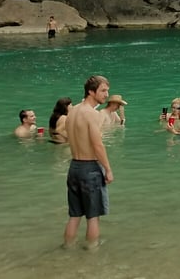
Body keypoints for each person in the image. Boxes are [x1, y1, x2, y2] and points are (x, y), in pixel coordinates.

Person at [64, 75, 114, 250]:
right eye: (103, 90)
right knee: (93, 216)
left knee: (75, 215)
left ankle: (68, 248)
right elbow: (97, 144)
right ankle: (93, 251)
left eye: (107, 90)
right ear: (91, 92)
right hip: (90, 168)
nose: (106, 94)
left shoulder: (72, 112)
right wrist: (108, 169)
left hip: (74, 167)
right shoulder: (91, 114)